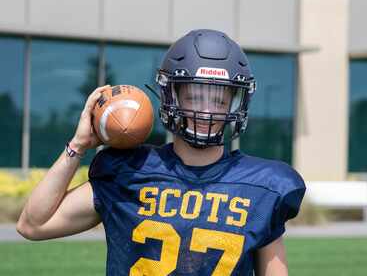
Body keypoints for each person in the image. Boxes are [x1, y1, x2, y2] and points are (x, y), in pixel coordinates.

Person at [17, 29, 305, 276]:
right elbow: (33, 224)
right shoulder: (129, 171)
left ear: (235, 104)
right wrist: (78, 145)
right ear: (171, 97)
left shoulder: (263, 187)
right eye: (194, 96)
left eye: (218, 99)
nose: (205, 110)